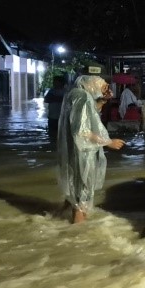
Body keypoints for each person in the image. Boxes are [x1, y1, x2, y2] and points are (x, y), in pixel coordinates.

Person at [57, 75, 125, 224]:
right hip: (82, 154)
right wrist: (108, 142)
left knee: (74, 192)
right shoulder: (83, 97)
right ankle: (78, 236)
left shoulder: (74, 94)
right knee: (82, 197)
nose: (104, 88)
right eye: (102, 86)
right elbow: (82, 131)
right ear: (91, 85)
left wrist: (103, 100)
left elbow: (91, 115)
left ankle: (56, 220)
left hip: (73, 153)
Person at [43, 75, 67, 140]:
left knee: (61, 135)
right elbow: (46, 100)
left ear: (61, 83)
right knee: (52, 134)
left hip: (62, 117)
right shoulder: (51, 91)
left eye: (56, 82)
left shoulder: (66, 92)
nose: (54, 83)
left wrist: (55, 98)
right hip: (52, 117)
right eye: (54, 82)